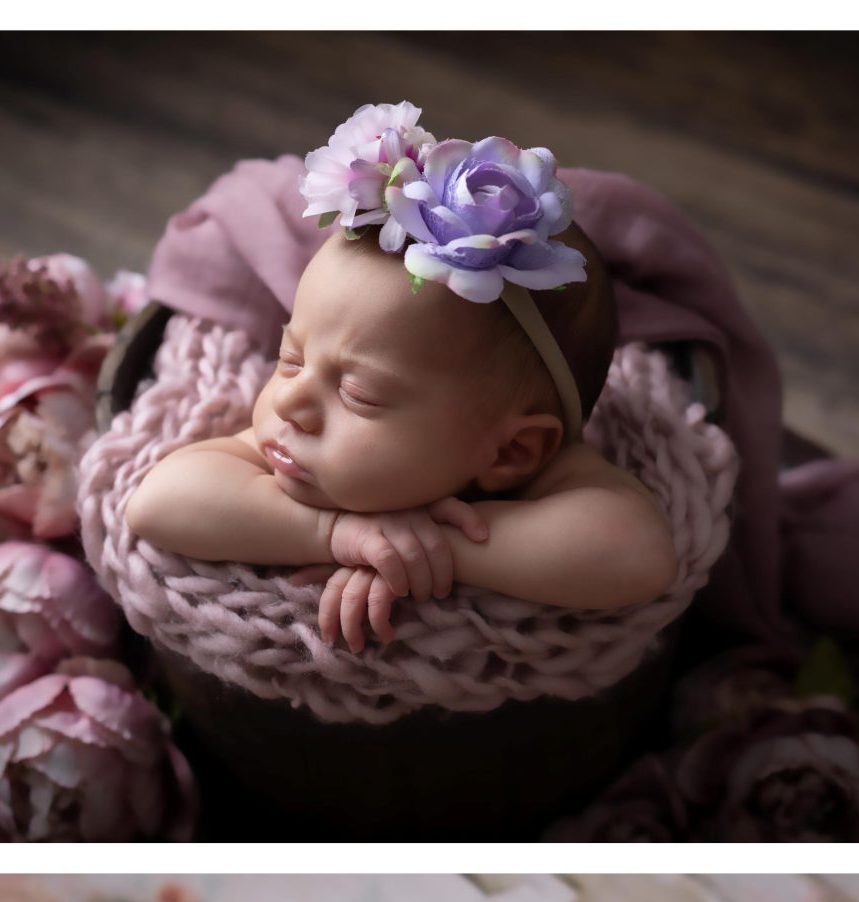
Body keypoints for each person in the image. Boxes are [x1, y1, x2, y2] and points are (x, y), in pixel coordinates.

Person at [125, 102, 677, 652]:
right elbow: (160, 502)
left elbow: (639, 555)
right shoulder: (290, 447)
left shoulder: (543, 478)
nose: (291, 399)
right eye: (290, 357)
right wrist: (339, 534)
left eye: (357, 393)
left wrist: (432, 548)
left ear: (510, 452)